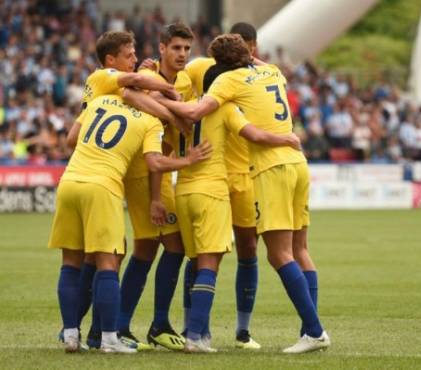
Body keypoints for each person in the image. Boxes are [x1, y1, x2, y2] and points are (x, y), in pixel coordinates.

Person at [155, 34, 330, 354]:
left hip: (266, 170)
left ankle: (314, 331)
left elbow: (194, 114)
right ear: (249, 53)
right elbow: (258, 76)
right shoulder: (274, 72)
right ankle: (307, 329)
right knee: (297, 248)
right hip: (298, 165)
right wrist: (288, 137)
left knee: (274, 255)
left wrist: (155, 99)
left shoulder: (227, 82)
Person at [48, 93, 211, 354]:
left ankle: (70, 334)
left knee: (71, 262)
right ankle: (110, 339)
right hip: (102, 186)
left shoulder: (100, 101)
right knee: (110, 259)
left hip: (69, 182)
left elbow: (71, 139)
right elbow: (155, 162)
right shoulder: (150, 122)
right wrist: (187, 160)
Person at [63, 30, 184, 350]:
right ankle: (121, 330)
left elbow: (72, 139)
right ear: (111, 61)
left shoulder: (100, 95)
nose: (134, 58)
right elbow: (137, 95)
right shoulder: (116, 78)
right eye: (129, 55)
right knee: (129, 252)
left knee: (99, 255)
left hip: (86, 172)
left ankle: (77, 329)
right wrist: (171, 98)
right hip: (128, 172)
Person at [181, 21, 263, 349]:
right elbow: (175, 81)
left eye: (247, 45)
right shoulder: (202, 67)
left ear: (253, 48)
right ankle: (196, 329)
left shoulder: (260, 76)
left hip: (241, 175)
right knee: (202, 256)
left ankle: (242, 331)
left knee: (247, 249)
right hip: (211, 175)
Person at [116, 22, 195, 351]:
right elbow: (127, 94)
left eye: (187, 49)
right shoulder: (150, 83)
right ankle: (157, 324)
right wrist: (154, 198)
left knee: (146, 249)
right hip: (147, 171)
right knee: (176, 247)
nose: (182, 55)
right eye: (176, 48)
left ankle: (119, 325)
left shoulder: (187, 79)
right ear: (161, 48)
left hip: (157, 171)